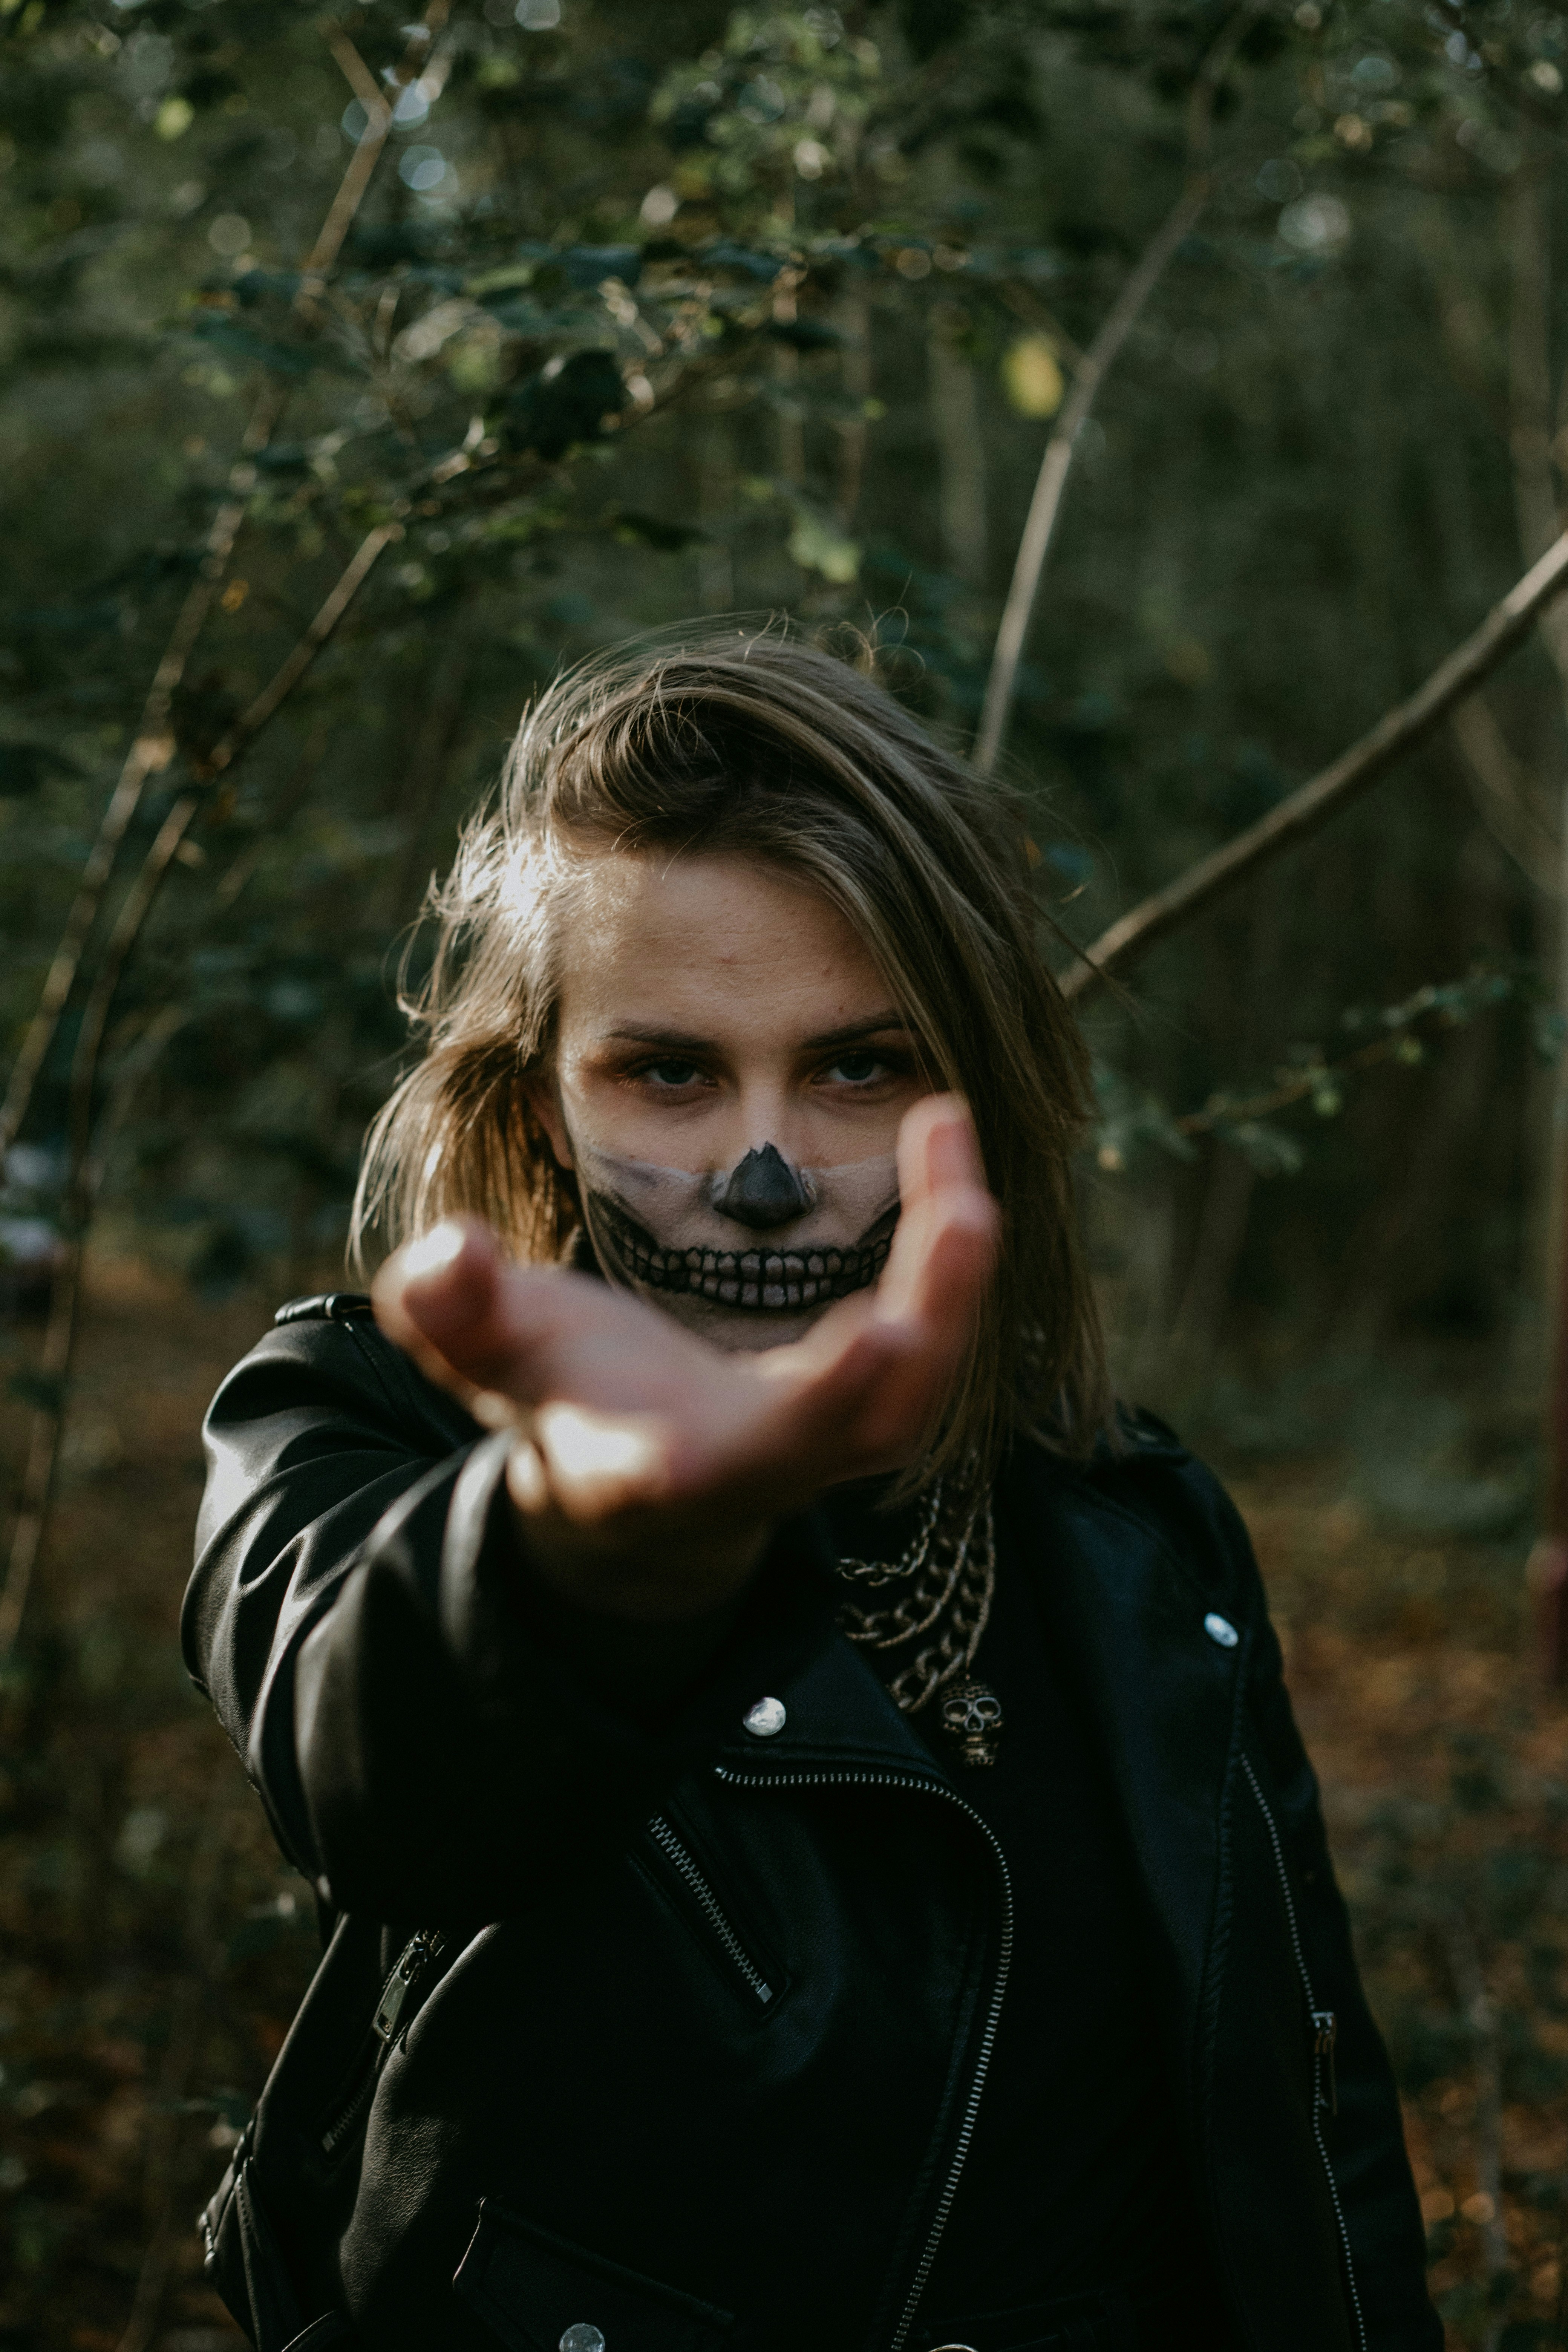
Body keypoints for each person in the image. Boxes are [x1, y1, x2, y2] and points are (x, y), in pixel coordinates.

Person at [184, 626, 1439, 2352]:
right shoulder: (355, 1425)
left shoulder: (1144, 1541)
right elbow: (382, 1772)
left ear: (973, 1101)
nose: (761, 1179)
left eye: (856, 1067)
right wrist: (588, 1559)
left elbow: (1310, 2134)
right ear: (542, 1105)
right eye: (669, 1072)